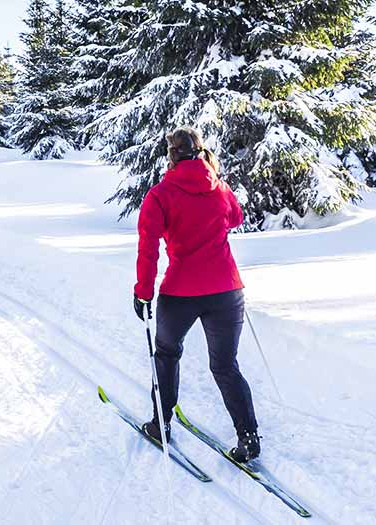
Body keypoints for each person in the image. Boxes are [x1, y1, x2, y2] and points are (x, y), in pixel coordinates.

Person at [133, 127, 260, 463]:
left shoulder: (160, 194)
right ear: (200, 152)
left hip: (181, 292)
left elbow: (148, 248)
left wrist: (143, 293)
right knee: (225, 365)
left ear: (172, 155)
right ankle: (248, 436)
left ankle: (161, 424)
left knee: (166, 353)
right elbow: (236, 217)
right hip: (226, 291)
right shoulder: (217, 185)